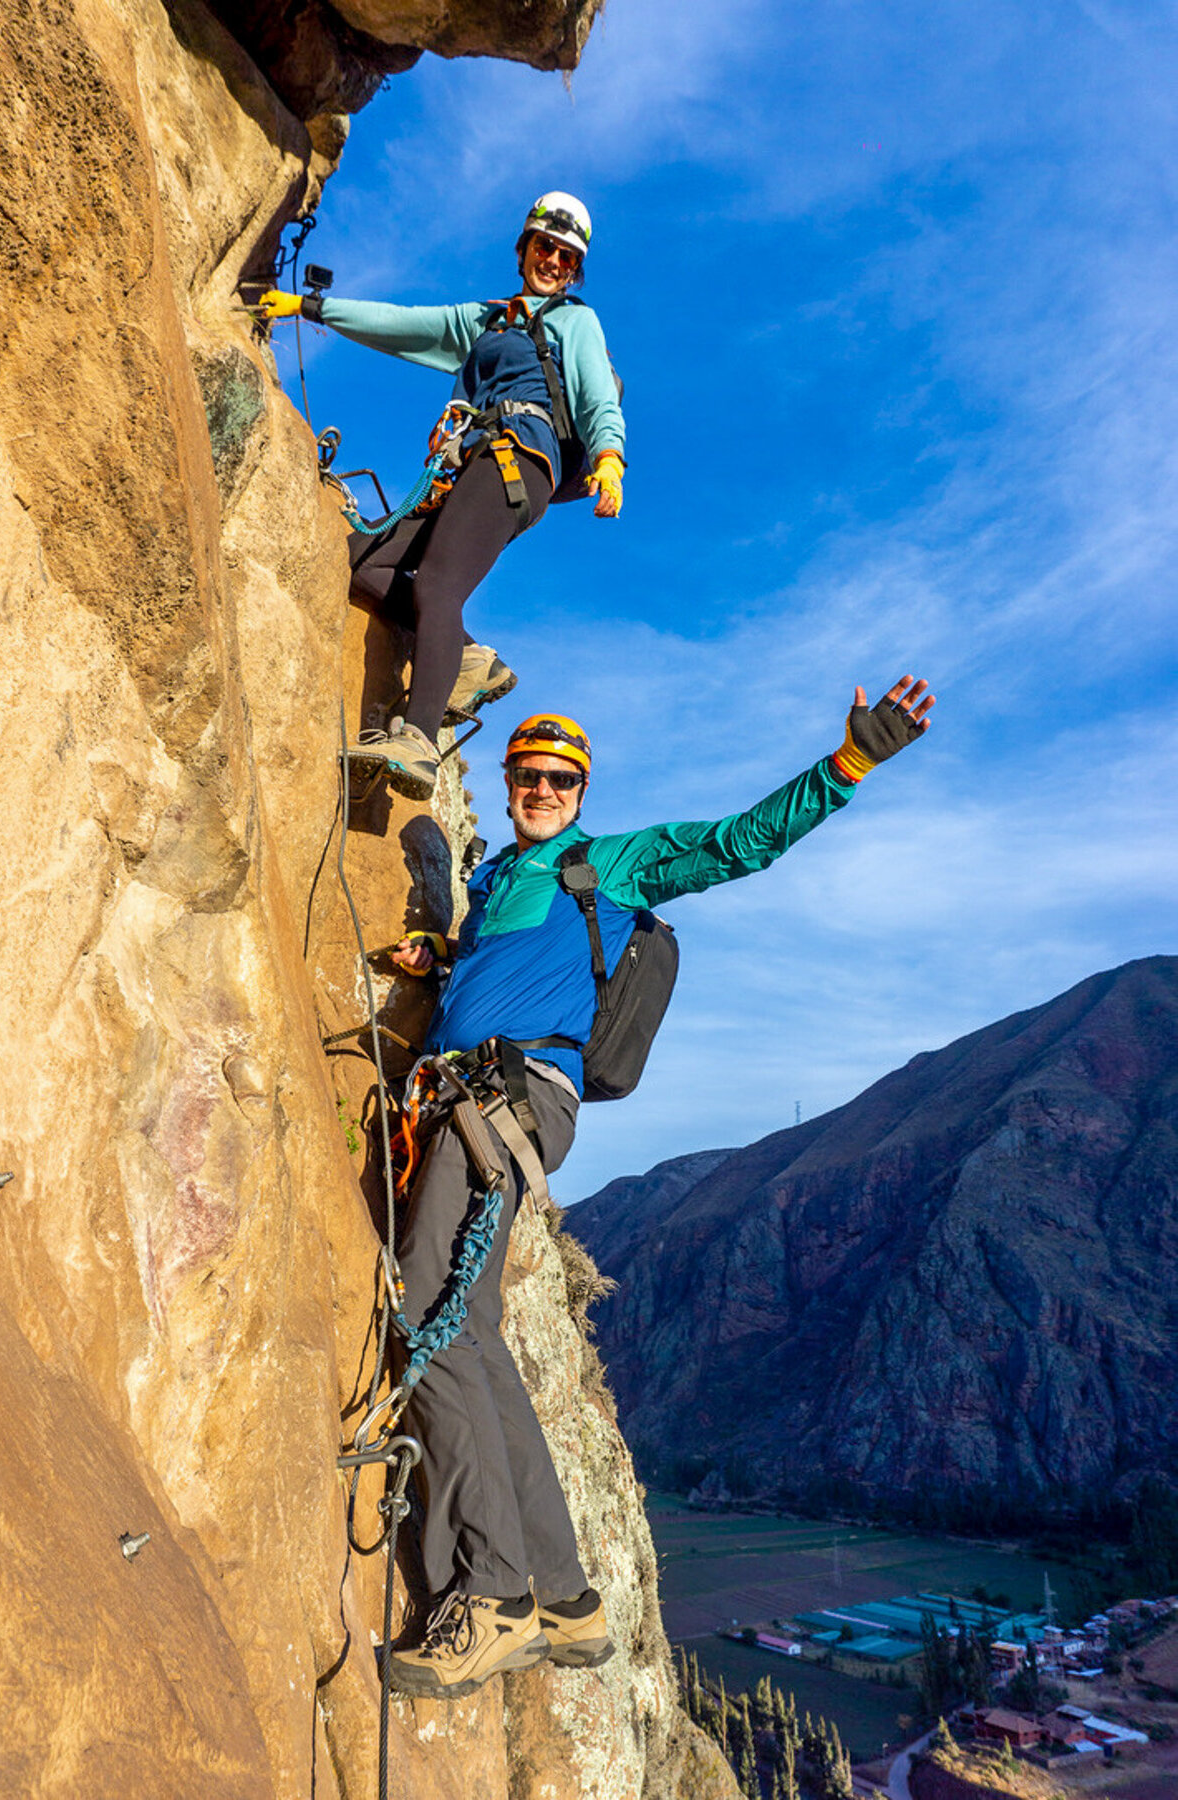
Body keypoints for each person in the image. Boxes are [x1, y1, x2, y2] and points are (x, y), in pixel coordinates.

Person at [380, 674, 936, 1698]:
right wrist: (437, 963)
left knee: (427, 1319)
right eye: (528, 775)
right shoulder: (499, 878)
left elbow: (737, 844)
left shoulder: (610, 863)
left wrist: (849, 764)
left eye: (560, 779)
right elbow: (491, 974)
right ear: (507, 783)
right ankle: (564, 1599)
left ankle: (491, 1593)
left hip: (502, 1104)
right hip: (481, 1098)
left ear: (581, 792)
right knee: (475, 1336)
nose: (542, 789)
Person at [258, 193, 626, 799]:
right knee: (359, 557)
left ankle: (419, 740)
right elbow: (401, 324)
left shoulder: (574, 321)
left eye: (567, 256)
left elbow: (595, 397)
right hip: (471, 462)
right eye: (545, 246)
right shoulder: (485, 321)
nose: (554, 261)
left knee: (436, 582)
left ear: (576, 269)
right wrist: (309, 306)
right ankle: (469, 658)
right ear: (524, 248)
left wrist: (609, 457)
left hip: (518, 459)